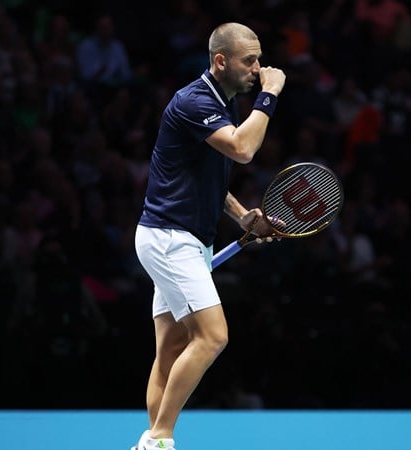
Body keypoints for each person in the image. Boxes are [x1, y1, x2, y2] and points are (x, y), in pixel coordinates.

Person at [132, 22, 286, 450]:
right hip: (169, 240)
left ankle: (152, 440)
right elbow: (242, 150)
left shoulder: (224, 102)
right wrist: (269, 95)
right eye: (249, 60)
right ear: (221, 61)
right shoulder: (195, 101)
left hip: (187, 240)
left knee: (171, 349)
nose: (258, 68)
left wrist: (242, 217)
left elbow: (208, 178)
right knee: (213, 336)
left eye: (260, 60)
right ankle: (160, 437)